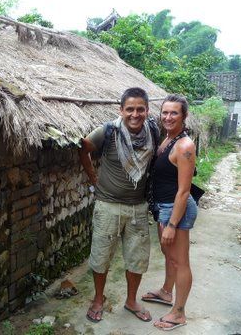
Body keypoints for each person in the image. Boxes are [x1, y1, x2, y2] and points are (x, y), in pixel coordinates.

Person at [79, 87, 159, 323]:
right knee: (101, 255)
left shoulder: (153, 131)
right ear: (121, 110)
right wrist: (93, 178)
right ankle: (98, 299)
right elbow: (83, 149)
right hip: (108, 206)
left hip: (138, 207)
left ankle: (131, 300)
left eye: (140, 109)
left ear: (147, 110)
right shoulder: (107, 131)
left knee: (137, 258)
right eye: (130, 109)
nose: (135, 114)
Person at [141, 94, 197, 331]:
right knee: (169, 254)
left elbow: (184, 191)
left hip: (176, 210)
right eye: (165, 112)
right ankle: (166, 292)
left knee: (181, 261)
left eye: (174, 113)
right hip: (163, 208)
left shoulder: (184, 146)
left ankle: (179, 313)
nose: (168, 117)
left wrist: (173, 224)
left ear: (184, 116)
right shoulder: (167, 140)